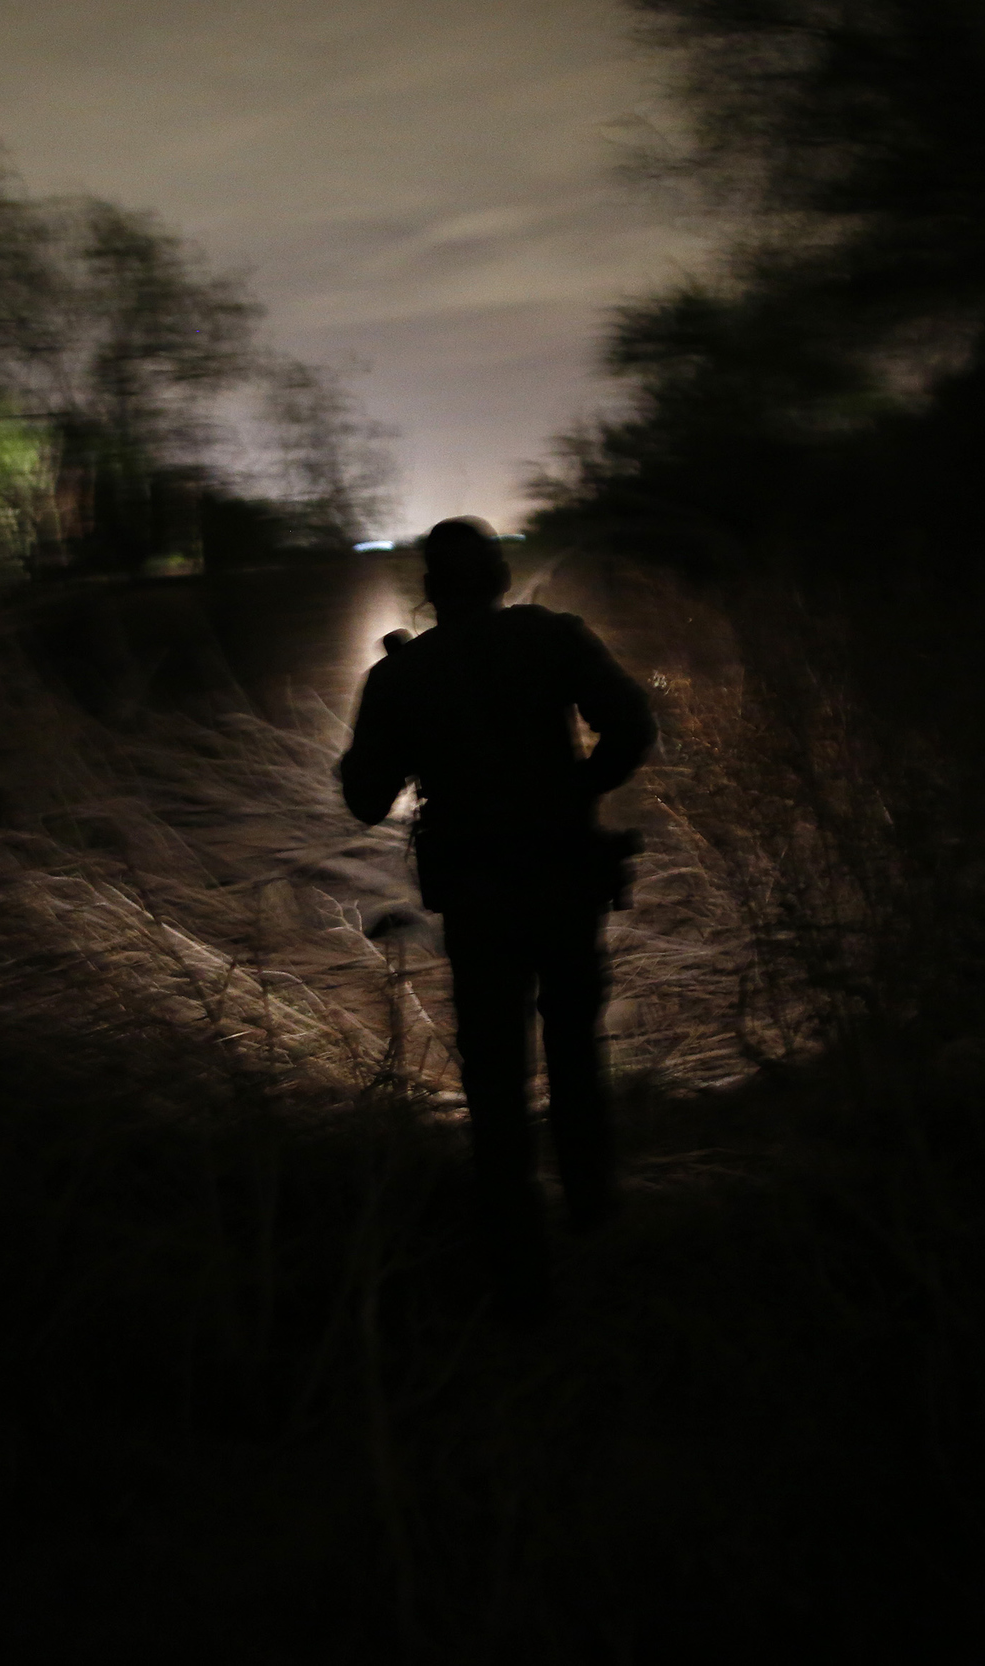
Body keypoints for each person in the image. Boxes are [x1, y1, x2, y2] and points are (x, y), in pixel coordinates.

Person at [338, 517, 655, 1318]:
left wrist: (396, 715)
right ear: (502, 578)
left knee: (495, 1082)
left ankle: (517, 1268)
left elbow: (362, 801)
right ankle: (595, 1223)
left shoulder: (403, 678)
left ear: (432, 591)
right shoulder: (553, 638)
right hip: (561, 879)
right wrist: (578, 793)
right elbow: (632, 725)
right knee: (578, 1055)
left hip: (479, 900)